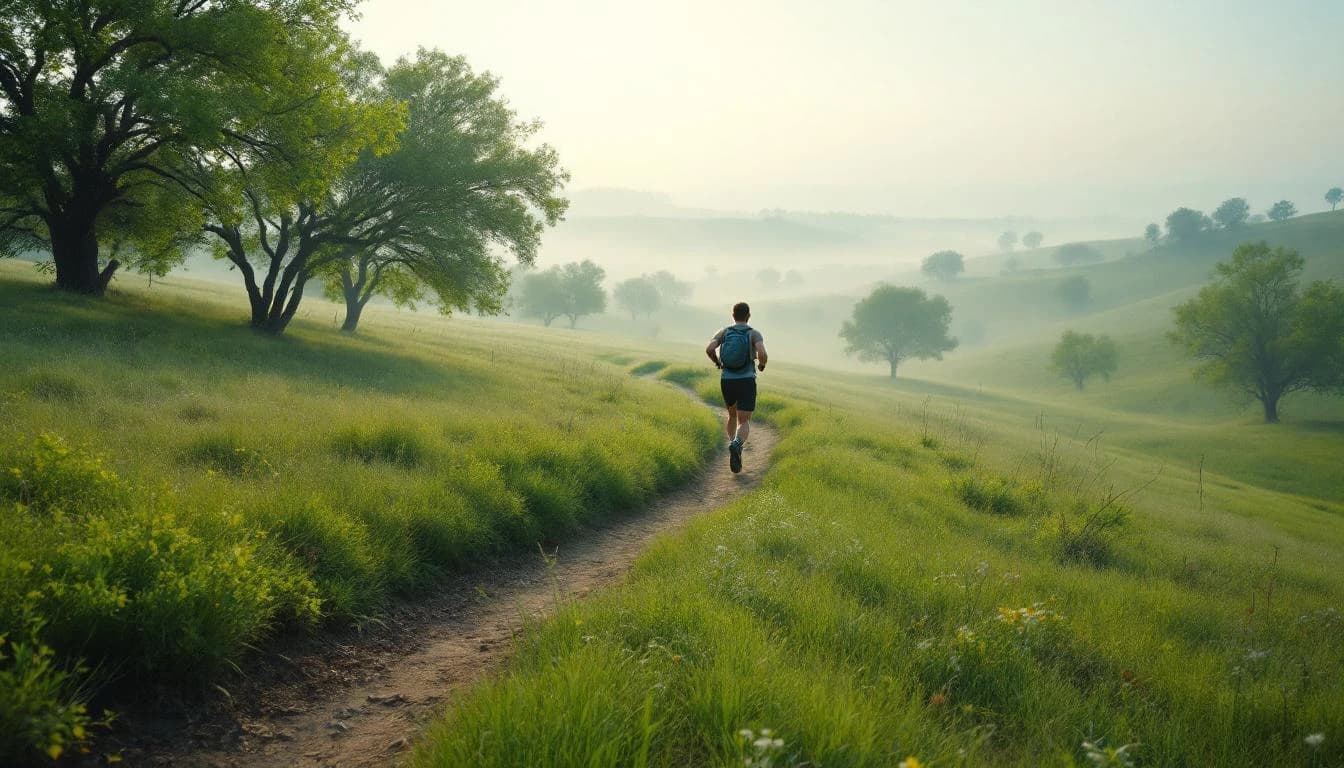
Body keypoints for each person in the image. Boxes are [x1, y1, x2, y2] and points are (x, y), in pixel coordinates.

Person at [705, 302, 767, 473]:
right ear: (748, 316)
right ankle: (737, 444)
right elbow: (762, 353)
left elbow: (709, 349)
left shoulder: (723, 332)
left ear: (733, 315)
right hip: (746, 380)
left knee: (732, 415)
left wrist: (718, 363)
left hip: (727, 381)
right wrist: (761, 365)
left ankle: (733, 444)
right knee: (744, 420)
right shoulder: (753, 333)